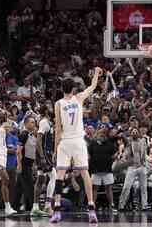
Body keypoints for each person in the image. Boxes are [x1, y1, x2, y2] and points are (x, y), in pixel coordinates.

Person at [50, 67, 101, 223]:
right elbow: (92, 87)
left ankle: (57, 209)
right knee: (85, 173)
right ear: (73, 89)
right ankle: (91, 208)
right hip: (78, 141)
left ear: (61, 89)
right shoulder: (79, 98)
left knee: (59, 175)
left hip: (64, 142)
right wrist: (97, 73)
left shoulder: (58, 104)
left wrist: (54, 149)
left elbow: (58, 128)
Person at [31, 105, 56, 217]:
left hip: (45, 153)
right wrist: (41, 156)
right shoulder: (44, 122)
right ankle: (47, 206)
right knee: (54, 176)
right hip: (44, 153)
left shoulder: (47, 122)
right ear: (46, 111)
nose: (52, 109)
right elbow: (38, 140)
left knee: (41, 180)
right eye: (50, 108)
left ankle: (35, 208)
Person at [88, 122, 118, 212]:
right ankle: (92, 205)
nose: (102, 133)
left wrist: (113, 159)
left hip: (107, 170)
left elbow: (114, 154)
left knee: (108, 188)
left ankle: (111, 205)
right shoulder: (92, 143)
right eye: (100, 131)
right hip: (95, 170)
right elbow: (89, 155)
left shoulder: (109, 142)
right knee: (95, 188)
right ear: (98, 131)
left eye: (104, 131)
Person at [14, 116, 37, 212]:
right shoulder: (24, 134)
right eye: (31, 122)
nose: (33, 124)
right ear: (26, 124)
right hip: (24, 163)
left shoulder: (31, 135)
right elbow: (18, 151)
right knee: (29, 186)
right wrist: (19, 164)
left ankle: (14, 206)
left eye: (34, 122)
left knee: (19, 187)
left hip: (29, 163)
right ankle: (32, 207)